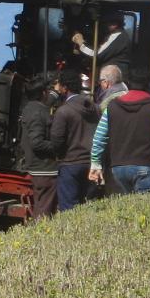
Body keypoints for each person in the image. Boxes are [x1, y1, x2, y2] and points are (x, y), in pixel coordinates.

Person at [89, 73, 150, 194]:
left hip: (118, 170)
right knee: (148, 206)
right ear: (149, 85)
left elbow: (99, 137)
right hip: (147, 167)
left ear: (127, 84)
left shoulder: (111, 107)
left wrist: (95, 164)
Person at [50, 71, 96, 212]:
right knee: (88, 207)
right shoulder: (95, 108)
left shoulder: (63, 111)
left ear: (65, 88)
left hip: (70, 163)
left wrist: (59, 155)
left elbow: (57, 140)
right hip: (91, 162)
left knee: (69, 210)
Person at [17, 73, 59, 217]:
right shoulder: (38, 113)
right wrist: (58, 147)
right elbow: (37, 142)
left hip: (37, 166)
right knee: (45, 208)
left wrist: (55, 93)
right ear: (43, 93)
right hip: (44, 168)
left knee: (42, 205)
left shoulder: (30, 108)